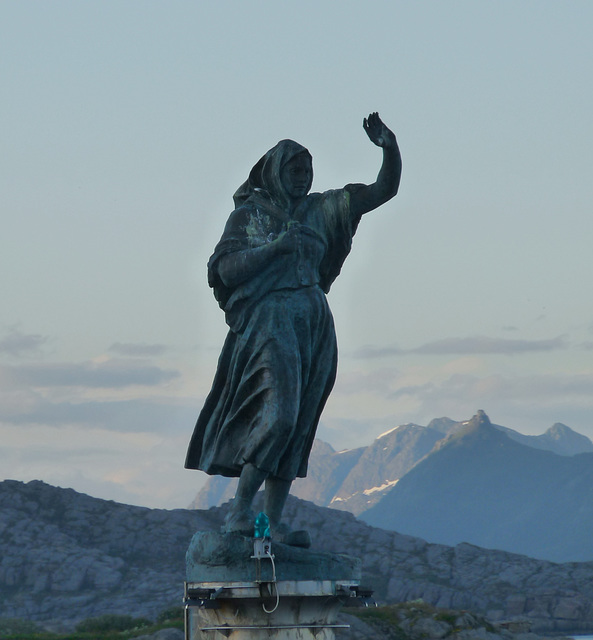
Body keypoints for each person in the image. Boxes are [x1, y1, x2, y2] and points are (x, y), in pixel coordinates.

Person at [185, 113, 401, 546]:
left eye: (307, 170)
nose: (302, 178)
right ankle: (240, 512)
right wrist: (275, 247)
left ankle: (272, 522)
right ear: (275, 172)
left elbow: (382, 191)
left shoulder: (324, 208)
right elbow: (225, 269)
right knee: (279, 415)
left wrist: (389, 148)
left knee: (300, 422)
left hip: (314, 323)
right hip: (270, 321)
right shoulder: (250, 216)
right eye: (294, 170)